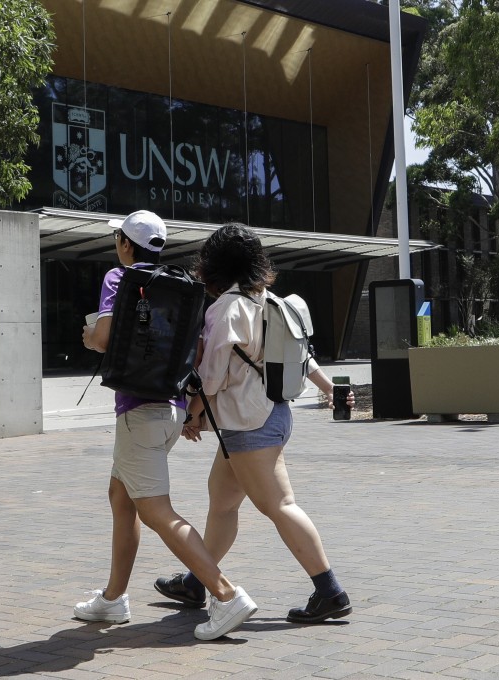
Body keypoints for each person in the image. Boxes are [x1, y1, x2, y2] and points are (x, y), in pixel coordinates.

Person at [153, 222, 352, 625]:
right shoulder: (270, 300)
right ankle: (196, 581)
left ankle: (329, 590)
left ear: (214, 265)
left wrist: (192, 415)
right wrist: (330, 387)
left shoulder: (226, 308)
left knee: (279, 505)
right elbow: (301, 358)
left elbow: (211, 376)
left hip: (249, 424)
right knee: (223, 501)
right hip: (272, 415)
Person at [76, 210, 257, 641]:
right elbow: (195, 351)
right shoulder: (182, 288)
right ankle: (113, 598)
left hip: (138, 411)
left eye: (118, 239)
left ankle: (226, 595)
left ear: (125, 244)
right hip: (172, 410)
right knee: (122, 496)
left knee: (156, 510)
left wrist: (87, 337)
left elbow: (101, 339)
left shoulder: (119, 278)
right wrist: (193, 407)